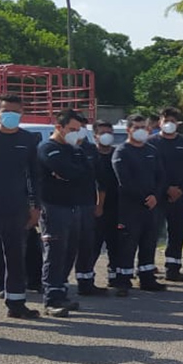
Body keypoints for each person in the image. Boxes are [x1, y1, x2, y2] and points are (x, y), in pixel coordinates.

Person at [0, 94, 43, 318]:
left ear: (22, 114)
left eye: (15, 112)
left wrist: (35, 207)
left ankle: (16, 304)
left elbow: (34, 175)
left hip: (18, 209)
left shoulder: (28, 139)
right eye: (6, 111)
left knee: (16, 257)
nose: (10, 116)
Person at [35, 110, 95, 316]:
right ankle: (51, 299)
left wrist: (72, 172)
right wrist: (69, 173)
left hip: (74, 206)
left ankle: (61, 293)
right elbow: (68, 172)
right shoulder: (48, 148)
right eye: (72, 129)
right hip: (54, 207)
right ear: (59, 127)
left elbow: (88, 172)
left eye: (78, 130)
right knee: (55, 252)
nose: (76, 134)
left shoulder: (75, 149)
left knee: (70, 252)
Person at [112, 115, 167, 295]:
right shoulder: (122, 152)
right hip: (130, 207)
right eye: (136, 127)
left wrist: (155, 196)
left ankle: (147, 278)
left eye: (143, 127)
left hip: (151, 207)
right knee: (128, 244)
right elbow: (124, 181)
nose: (141, 130)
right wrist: (145, 198)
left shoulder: (152, 151)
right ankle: (123, 280)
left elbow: (160, 177)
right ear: (128, 130)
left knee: (149, 243)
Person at [150, 107, 183, 282]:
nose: (169, 124)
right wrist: (165, 188)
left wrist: (181, 189)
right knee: (152, 232)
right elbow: (151, 169)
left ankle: (173, 268)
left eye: (173, 121)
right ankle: (147, 267)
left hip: (179, 196)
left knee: (177, 232)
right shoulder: (151, 142)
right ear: (159, 122)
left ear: (178, 124)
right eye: (166, 120)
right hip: (158, 196)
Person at [73, 120, 116, 295]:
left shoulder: (101, 152)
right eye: (102, 132)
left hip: (106, 206)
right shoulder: (78, 151)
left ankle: (99, 280)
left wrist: (100, 204)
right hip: (82, 206)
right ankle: (81, 281)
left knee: (107, 243)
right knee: (87, 246)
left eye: (109, 131)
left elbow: (102, 182)